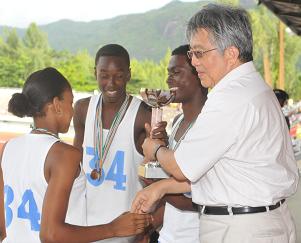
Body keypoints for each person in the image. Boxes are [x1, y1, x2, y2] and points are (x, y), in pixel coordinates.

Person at [132, 4, 299, 243]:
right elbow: (225, 171)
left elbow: (181, 167)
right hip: (258, 221)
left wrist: (155, 149)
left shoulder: (230, 96)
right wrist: (162, 188)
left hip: (241, 229)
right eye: (192, 54)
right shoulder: (254, 88)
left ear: (230, 53)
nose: (194, 62)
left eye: (199, 53)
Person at [0, 67, 151, 242]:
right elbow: (51, 235)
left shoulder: (8, 148)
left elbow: (3, 228)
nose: (72, 111)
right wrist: (113, 228)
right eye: (70, 103)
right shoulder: (64, 154)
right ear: (57, 105)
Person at [73, 44, 164, 243]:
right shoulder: (82, 109)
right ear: (94, 73)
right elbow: (73, 165)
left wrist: (148, 227)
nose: (111, 83)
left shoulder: (142, 114)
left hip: (127, 231)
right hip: (86, 228)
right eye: (104, 75)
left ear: (129, 75)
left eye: (119, 75)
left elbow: (158, 176)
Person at [153, 44, 207, 243]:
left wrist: (158, 187)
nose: (168, 79)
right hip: (169, 235)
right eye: (168, 73)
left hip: (196, 236)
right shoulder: (177, 121)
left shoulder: (208, 124)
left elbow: (199, 200)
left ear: (199, 75)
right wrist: (162, 148)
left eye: (176, 72)